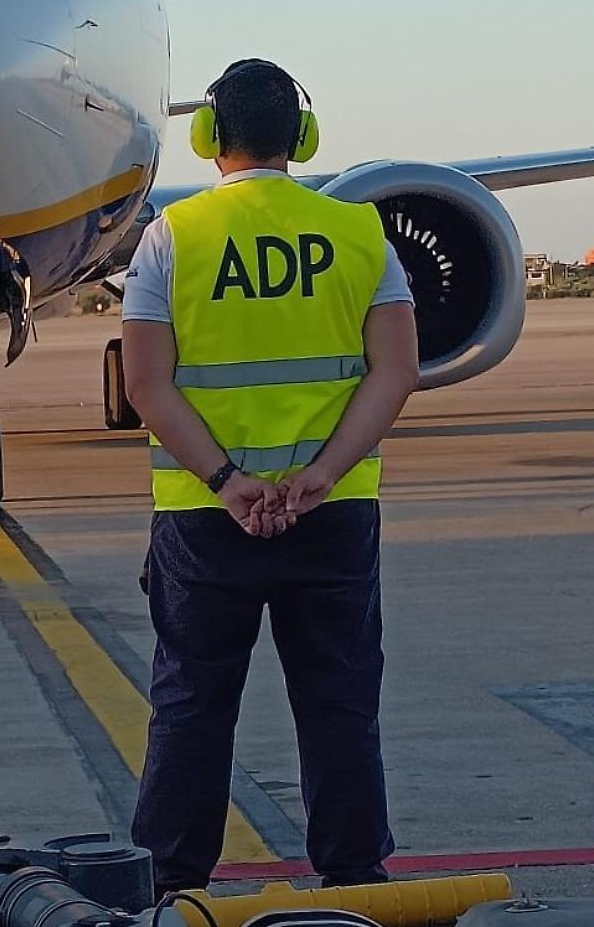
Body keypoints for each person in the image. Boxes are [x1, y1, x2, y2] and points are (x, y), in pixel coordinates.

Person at [121, 58, 419, 896]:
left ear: (209, 136)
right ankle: (355, 878)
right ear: (305, 135)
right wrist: (321, 473)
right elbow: (395, 371)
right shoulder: (360, 234)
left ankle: (173, 889)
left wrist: (224, 479)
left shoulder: (171, 237)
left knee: (191, 708)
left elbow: (148, 384)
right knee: (340, 706)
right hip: (331, 512)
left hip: (206, 517)